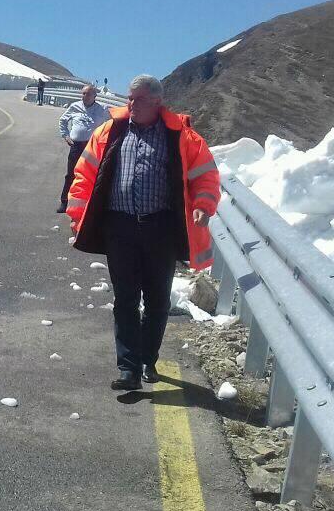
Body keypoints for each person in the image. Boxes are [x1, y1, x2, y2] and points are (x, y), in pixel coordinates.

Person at [65, 75, 220, 391]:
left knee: (157, 299)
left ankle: (149, 358)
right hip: (118, 227)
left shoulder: (182, 137)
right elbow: (84, 174)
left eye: (137, 100)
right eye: (129, 99)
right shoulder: (110, 132)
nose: (130, 105)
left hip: (160, 228)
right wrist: (76, 213)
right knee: (125, 298)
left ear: (156, 102)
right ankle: (128, 368)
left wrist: (203, 204)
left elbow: (206, 176)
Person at [56, 83, 111, 213]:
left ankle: (89, 205)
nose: (85, 96)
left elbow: (112, 123)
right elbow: (63, 120)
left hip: (92, 148)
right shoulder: (75, 106)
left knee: (90, 176)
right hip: (76, 146)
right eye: (83, 93)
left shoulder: (102, 109)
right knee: (71, 174)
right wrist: (65, 135)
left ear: (95, 96)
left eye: (88, 94)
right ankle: (65, 202)